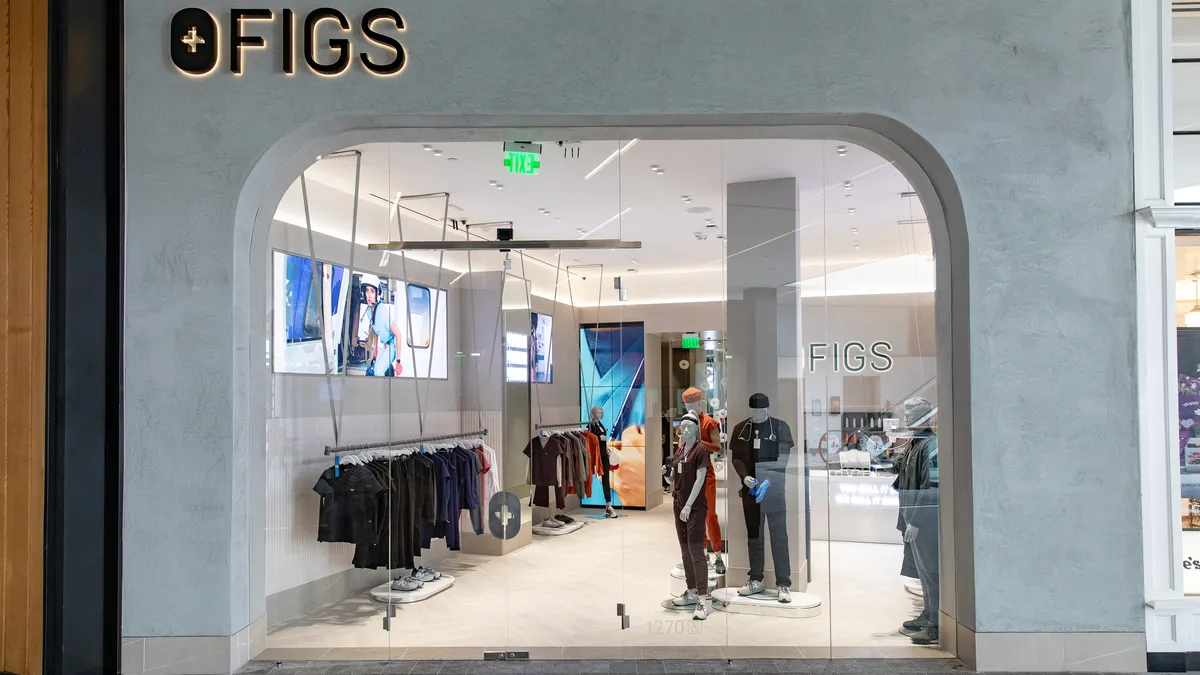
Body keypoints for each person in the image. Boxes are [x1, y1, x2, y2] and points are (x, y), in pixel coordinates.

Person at [892, 397, 939, 645]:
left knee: (931, 572)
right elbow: (900, 471)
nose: (907, 418)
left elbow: (930, 488)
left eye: (911, 414)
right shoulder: (915, 443)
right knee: (922, 572)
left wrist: (917, 521)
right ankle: (929, 614)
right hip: (913, 520)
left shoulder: (930, 446)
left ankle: (935, 624)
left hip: (924, 524)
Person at [356, 274, 402, 377]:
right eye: (367, 290)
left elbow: (398, 334)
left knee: (378, 372)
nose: (369, 295)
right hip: (385, 345)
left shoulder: (382, 311)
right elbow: (375, 329)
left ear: (377, 293)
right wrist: (375, 349)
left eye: (372, 291)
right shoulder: (369, 311)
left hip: (392, 346)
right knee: (374, 368)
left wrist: (398, 362)